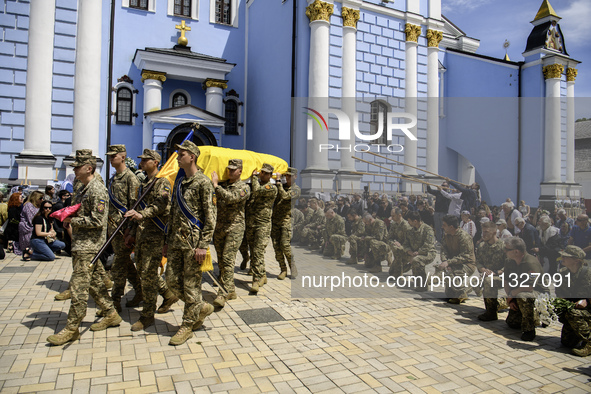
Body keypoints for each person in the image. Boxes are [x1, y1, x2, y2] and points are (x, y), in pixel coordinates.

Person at [47, 150, 121, 346]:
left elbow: (98, 220)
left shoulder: (97, 190)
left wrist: (74, 220)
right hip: (81, 244)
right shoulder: (83, 188)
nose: (75, 170)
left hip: (90, 246)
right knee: (95, 283)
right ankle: (111, 314)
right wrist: (67, 217)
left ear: (88, 168)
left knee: (79, 288)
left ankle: (72, 328)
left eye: (78, 167)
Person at [165, 140, 216, 346]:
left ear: (192, 157)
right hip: (177, 242)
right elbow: (173, 215)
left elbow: (211, 217)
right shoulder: (180, 183)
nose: (178, 157)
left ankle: (187, 325)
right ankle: (202, 308)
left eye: (181, 154)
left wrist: (203, 245)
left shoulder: (203, 183)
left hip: (194, 244)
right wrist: (167, 241)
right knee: (171, 282)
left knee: (191, 285)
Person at [123, 149, 179, 331]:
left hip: (154, 235)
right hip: (141, 235)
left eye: (146, 160)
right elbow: (136, 208)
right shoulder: (144, 183)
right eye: (142, 159)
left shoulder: (161, 182)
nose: (142, 162)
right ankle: (167, 294)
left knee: (147, 275)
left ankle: (147, 315)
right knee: (144, 271)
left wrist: (142, 214)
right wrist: (131, 232)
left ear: (155, 162)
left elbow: (161, 205)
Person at [106, 144, 143, 312]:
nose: (111, 158)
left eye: (114, 156)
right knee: (126, 264)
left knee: (118, 266)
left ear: (122, 157)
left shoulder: (130, 178)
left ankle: (114, 301)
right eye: (110, 156)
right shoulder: (114, 178)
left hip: (124, 230)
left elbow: (134, 206)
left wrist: (130, 230)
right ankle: (142, 291)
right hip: (113, 229)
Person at [210, 159, 250, 307]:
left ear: (240, 171)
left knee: (227, 259)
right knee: (220, 260)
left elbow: (231, 198)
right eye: (229, 169)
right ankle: (231, 290)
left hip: (235, 227)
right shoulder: (223, 185)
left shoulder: (244, 187)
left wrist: (215, 186)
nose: (230, 172)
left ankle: (223, 292)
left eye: (234, 169)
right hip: (220, 227)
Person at [503, 236, 548, 341]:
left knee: (522, 296)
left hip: (538, 293)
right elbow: (506, 280)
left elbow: (529, 286)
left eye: (507, 249)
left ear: (516, 252)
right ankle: (533, 316)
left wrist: (513, 294)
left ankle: (529, 330)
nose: (505, 251)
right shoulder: (509, 261)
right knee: (512, 323)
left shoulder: (531, 263)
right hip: (519, 292)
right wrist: (510, 297)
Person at [245, 163, 277, 293]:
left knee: (258, 251)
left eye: (265, 173)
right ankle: (262, 275)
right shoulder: (255, 185)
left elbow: (257, 191)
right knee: (254, 250)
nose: (262, 174)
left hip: (263, 225)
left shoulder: (271, 187)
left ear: (270, 175)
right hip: (252, 223)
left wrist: (253, 177)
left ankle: (256, 279)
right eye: (261, 172)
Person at [554, 245, 591, 356]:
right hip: (574, 311)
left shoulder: (589, 275)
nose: (562, 258)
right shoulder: (562, 274)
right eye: (562, 256)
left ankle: (589, 343)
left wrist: (587, 301)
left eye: (566, 256)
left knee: (572, 313)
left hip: (586, 311)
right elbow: (560, 295)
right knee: (567, 342)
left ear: (577, 260)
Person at [392, 211, 436, 289]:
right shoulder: (410, 230)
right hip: (413, 253)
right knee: (398, 250)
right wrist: (409, 252)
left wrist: (417, 253)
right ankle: (399, 272)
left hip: (427, 253)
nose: (408, 222)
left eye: (409, 221)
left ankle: (422, 285)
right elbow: (405, 244)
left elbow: (428, 245)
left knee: (417, 260)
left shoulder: (427, 229)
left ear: (415, 221)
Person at [439, 215, 476, 304]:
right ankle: (459, 288)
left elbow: (465, 256)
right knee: (449, 294)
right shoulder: (446, 235)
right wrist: (445, 261)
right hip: (453, 263)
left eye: (444, 225)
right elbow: (443, 249)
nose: (442, 227)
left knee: (456, 294)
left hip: (467, 264)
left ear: (451, 227)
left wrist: (449, 262)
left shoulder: (464, 237)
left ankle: (470, 287)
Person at [272, 167, 301, 280]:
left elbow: (285, 196)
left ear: (295, 177)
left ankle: (292, 266)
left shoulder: (296, 189)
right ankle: (282, 269)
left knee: (285, 245)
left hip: (286, 221)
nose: (287, 177)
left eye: (290, 175)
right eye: (286, 175)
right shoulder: (281, 186)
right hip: (275, 220)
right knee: (276, 246)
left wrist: (278, 182)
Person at [476, 221, 507, 321]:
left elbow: (508, 266)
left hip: (503, 277)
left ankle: (491, 313)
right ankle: (496, 304)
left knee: (489, 282)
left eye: (486, 232)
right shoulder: (481, 246)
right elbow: (478, 262)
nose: (483, 235)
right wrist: (483, 269)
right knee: (473, 282)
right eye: (483, 232)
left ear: (494, 232)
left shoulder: (503, 246)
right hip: (486, 275)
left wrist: (496, 272)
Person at [18, 190, 44, 256]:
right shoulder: (28, 205)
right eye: (40, 198)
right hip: (28, 228)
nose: (42, 200)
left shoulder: (38, 206)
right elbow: (31, 218)